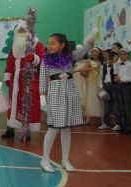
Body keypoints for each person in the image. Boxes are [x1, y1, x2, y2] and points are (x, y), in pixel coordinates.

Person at [39, 32, 94, 172]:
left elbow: (84, 49)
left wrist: (92, 36)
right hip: (55, 92)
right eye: (48, 43)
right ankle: (45, 159)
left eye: (53, 43)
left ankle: (65, 159)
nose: (50, 46)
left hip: (70, 92)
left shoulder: (70, 56)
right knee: (53, 128)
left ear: (62, 45)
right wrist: (42, 95)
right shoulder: (45, 59)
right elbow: (42, 77)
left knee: (66, 128)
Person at [3, 20, 45, 141]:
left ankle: (26, 132)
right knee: (13, 104)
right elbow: (10, 62)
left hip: (29, 79)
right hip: (16, 80)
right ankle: (10, 129)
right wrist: (8, 77)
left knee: (27, 105)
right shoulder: (14, 45)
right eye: (19, 31)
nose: (21, 33)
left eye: (23, 31)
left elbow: (42, 61)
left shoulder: (37, 44)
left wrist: (33, 58)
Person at [113, 48, 131, 134]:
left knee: (128, 107)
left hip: (127, 86)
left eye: (124, 54)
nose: (122, 56)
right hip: (120, 86)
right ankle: (123, 126)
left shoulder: (130, 65)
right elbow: (115, 73)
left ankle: (129, 127)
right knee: (121, 107)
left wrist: (122, 79)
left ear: (128, 55)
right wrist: (116, 63)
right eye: (120, 54)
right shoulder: (119, 64)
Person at [98, 51, 119, 130]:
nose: (114, 61)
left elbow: (117, 75)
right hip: (105, 87)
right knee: (106, 106)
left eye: (116, 59)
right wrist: (101, 87)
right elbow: (100, 78)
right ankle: (106, 123)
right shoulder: (103, 67)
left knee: (116, 106)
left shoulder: (116, 66)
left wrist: (115, 65)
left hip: (114, 87)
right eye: (114, 59)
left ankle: (117, 123)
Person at [84, 48, 104, 124]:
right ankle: (88, 119)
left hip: (100, 82)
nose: (94, 53)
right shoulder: (88, 61)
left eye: (96, 52)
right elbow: (83, 71)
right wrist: (88, 73)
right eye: (92, 52)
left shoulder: (102, 62)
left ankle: (103, 118)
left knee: (100, 99)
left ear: (99, 53)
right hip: (91, 83)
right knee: (90, 99)